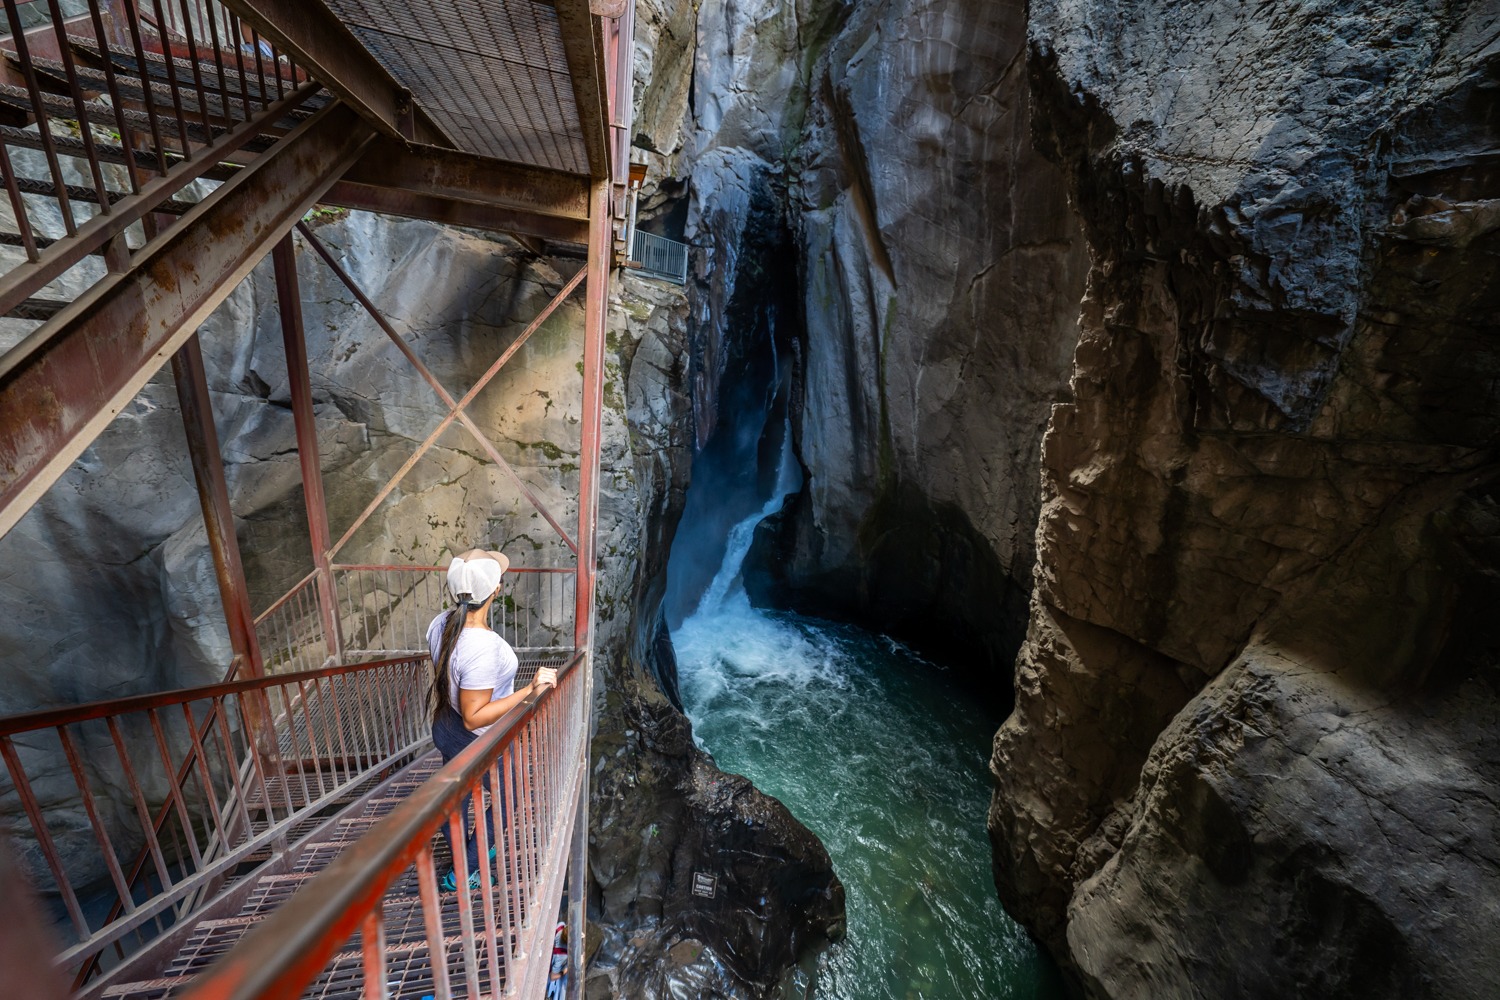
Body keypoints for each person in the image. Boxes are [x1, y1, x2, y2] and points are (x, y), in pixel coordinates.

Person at [428, 548, 556, 892]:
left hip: (445, 725)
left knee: (457, 794)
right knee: (506, 798)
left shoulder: (440, 623)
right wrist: (531, 689)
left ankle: (457, 843)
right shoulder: (485, 648)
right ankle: (462, 872)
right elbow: (474, 716)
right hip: (480, 737)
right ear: (495, 591)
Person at [545, 921, 568, 999]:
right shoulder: (561, 957)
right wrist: (563, 972)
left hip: (548, 954)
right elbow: (552, 977)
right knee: (562, 985)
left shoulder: (560, 926)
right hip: (551, 972)